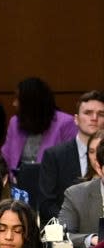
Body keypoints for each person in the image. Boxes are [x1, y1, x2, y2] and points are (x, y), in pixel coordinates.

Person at [38, 90, 104, 222]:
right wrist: (70, 224)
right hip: (66, 232)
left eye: (101, 114)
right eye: (88, 113)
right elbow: (46, 204)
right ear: (76, 119)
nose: (94, 118)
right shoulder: (54, 156)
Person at [1, 77, 78, 170]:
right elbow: (6, 156)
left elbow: (70, 162)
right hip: (17, 180)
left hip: (51, 181)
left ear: (31, 103)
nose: (14, 103)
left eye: (18, 99)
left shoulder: (66, 123)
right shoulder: (15, 122)